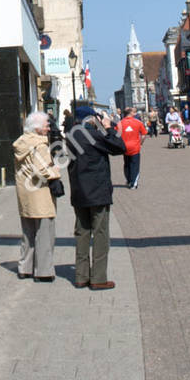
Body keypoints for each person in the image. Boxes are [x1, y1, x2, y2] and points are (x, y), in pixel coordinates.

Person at [66, 104, 126, 290]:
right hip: (97, 192)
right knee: (100, 234)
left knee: (82, 233)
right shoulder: (93, 135)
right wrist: (108, 127)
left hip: (79, 192)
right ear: (91, 119)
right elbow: (119, 147)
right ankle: (98, 278)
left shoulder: (71, 137)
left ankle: (81, 276)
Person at [13, 110, 61, 281]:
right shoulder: (39, 145)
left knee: (28, 233)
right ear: (38, 128)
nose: (48, 128)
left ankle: (25, 268)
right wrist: (55, 172)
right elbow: (40, 171)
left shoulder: (22, 142)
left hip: (25, 194)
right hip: (40, 194)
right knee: (44, 234)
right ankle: (44, 271)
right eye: (46, 125)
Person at [117, 106, 147, 188]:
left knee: (127, 164)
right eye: (134, 112)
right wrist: (141, 143)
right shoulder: (138, 122)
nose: (135, 113)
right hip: (135, 147)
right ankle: (134, 183)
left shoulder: (120, 123)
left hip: (124, 147)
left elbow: (116, 134)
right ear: (130, 113)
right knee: (135, 165)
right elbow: (144, 134)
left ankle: (129, 180)